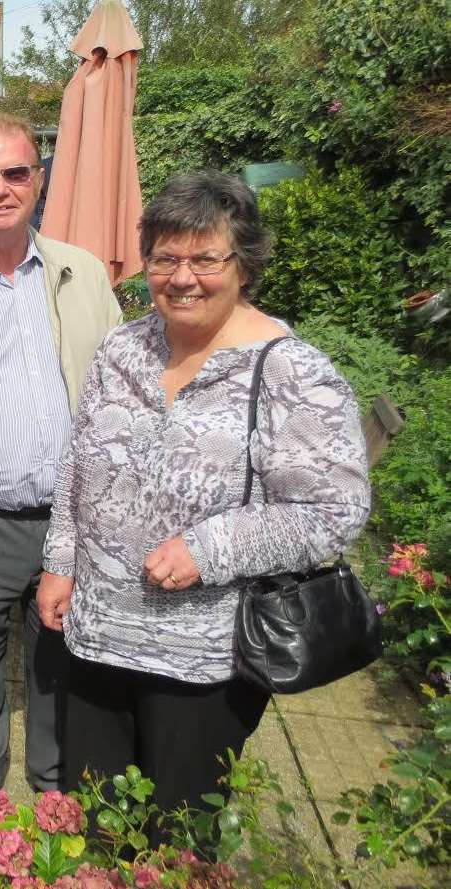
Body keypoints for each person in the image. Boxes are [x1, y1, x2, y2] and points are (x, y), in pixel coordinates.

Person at [38, 170, 370, 834]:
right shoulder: (121, 348)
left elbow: (334, 509)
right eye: (164, 257)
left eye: (203, 258)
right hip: (97, 634)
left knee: (177, 835)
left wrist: (210, 547)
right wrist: (60, 560)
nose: (181, 276)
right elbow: (77, 462)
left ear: (242, 265)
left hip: (201, 655)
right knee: (99, 826)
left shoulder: (289, 372)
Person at [0, 113, 122, 797]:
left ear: (37, 180)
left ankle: (54, 808)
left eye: (15, 172)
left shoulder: (83, 274)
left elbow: (118, 400)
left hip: (70, 523)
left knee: (61, 674)